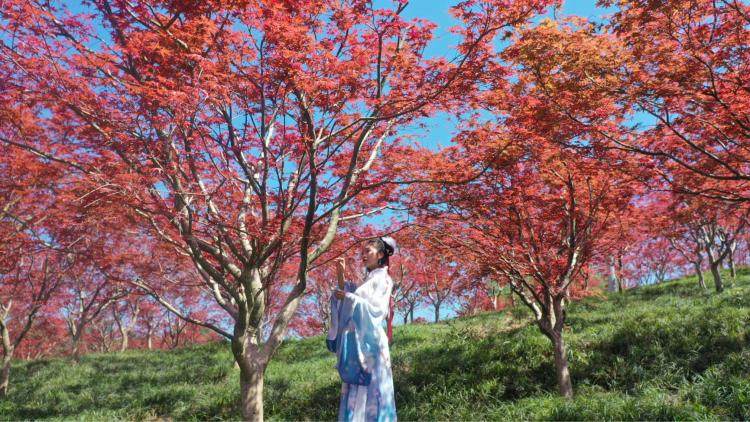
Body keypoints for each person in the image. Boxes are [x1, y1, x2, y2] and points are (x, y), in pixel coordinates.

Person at [326, 237, 398, 422]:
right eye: (363, 252)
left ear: (380, 255)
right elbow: (348, 297)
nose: (363, 255)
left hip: (372, 344)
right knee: (356, 387)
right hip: (358, 341)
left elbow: (377, 310)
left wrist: (349, 297)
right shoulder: (369, 280)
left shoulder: (384, 280)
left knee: (372, 388)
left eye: (368, 251)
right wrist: (341, 276)